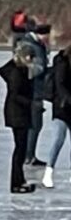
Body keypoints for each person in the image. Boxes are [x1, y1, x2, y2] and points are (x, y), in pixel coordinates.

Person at [0, 44, 37, 194]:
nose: (31, 60)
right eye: (29, 57)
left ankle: (20, 180)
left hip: (19, 113)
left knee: (21, 148)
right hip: (17, 114)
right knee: (20, 149)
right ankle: (16, 183)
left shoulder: (21, 70)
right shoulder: (16, 73)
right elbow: (15, 94)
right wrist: (32, 103)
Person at [18, 23, 50, 167]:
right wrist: (42, 68)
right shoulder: (28, 45)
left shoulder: (37, 45)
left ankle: (30, 155)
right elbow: (26, 69)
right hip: (31, 92)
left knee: (36, 125)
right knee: (34, 125)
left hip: (37, 91)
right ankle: (28, 156)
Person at [43, 39, 71, 188]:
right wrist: (67, 99)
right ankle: (48, 173)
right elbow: (60, 85)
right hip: (62, 107)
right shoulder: (62, 61)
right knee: (58, 139)